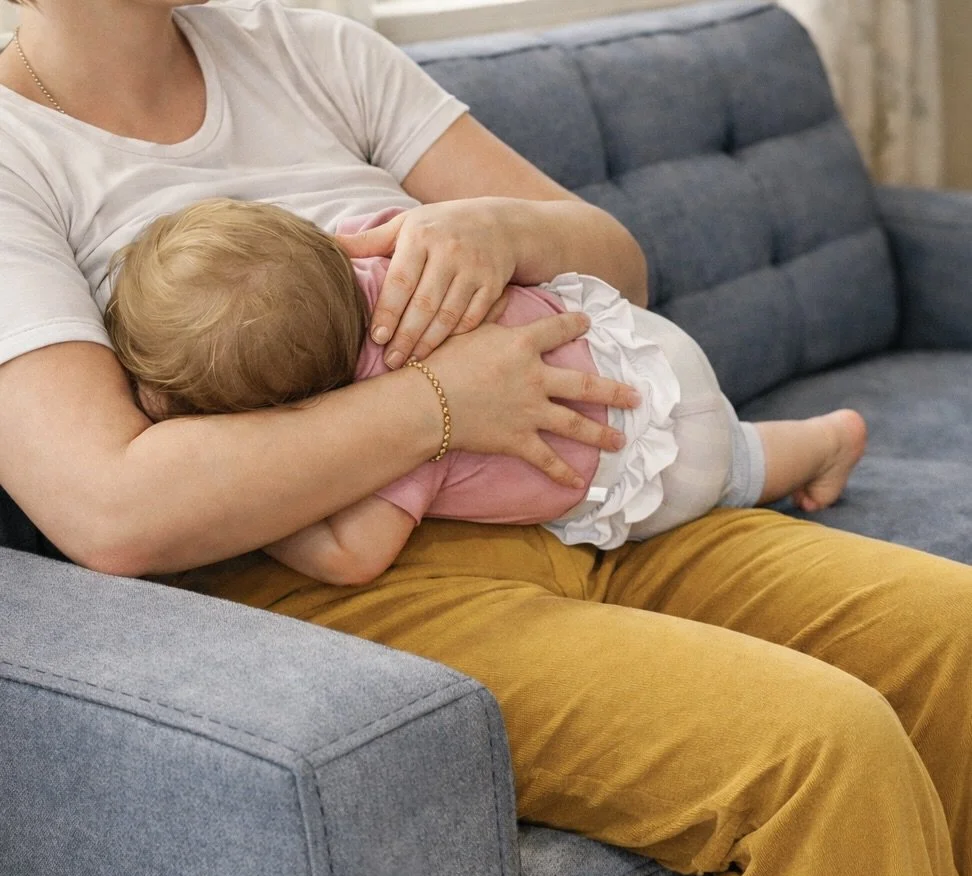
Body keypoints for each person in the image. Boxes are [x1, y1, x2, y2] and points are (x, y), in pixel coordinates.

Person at [0, 0, 970, 876]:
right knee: (820, 750)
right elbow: (111, 506)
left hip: (579, 494)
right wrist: (442, 404)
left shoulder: (313, 50)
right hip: (354, 586)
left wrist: (503, 233)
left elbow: (616, 254)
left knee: (951, 633)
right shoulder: (20, 153)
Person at [105, 196, 867, 586]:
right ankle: (828, 439)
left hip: (649, 465)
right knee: (729, 443)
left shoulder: (394, 422)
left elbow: (351, 557)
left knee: (727, 469)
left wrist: (260, 508)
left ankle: (822, 442)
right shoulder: (376, 252)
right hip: (639, 342)